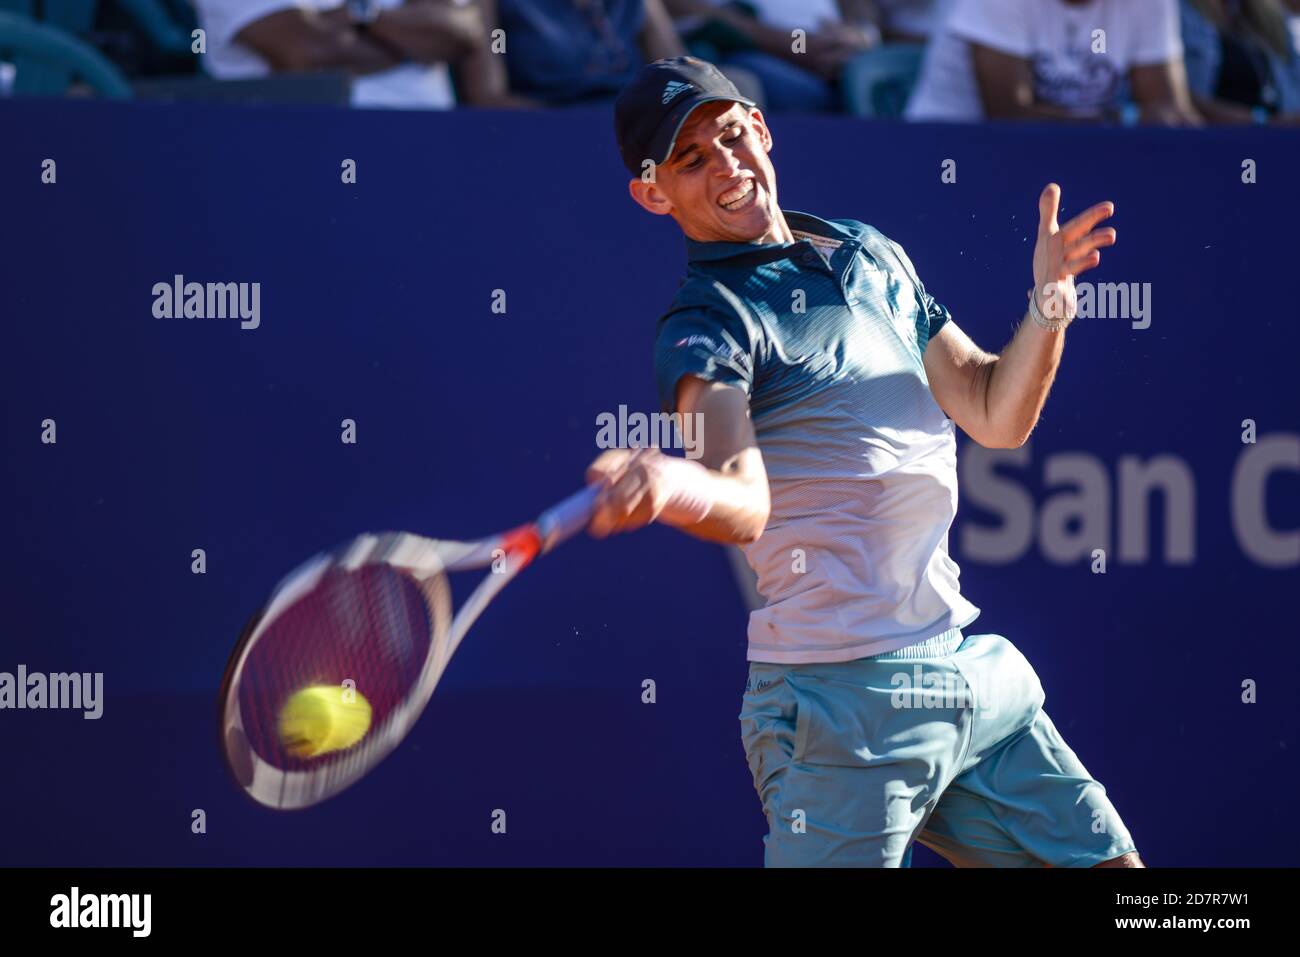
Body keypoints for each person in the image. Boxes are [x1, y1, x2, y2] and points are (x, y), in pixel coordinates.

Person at [588, 56, 1144, 867]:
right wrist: (671, 481)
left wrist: (1050, 303)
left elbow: (994, 412)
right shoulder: (705, 325)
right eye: (691, 161)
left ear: (764, 131)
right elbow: (743, 500)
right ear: (653, 193)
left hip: (963, 672)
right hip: (836, 707)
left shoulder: (871, 252)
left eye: (733, 137)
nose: (727, 167)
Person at [906, 0, 1200, 124]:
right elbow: (1010, 117)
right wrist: (1119, 122)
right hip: (950, 153)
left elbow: (1165, 105)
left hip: (1070, 155)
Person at [194, 0, 495, 108]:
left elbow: (462, 32)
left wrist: (359, 16)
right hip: (302, 156)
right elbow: (310, 53)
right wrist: (416, 42)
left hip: (428, 150)